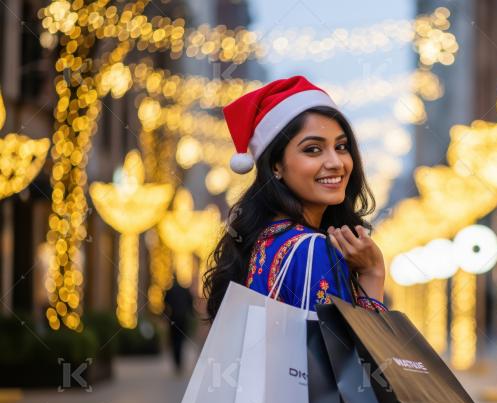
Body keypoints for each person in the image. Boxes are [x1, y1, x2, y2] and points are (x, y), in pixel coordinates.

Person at [203, 76, 387, 321]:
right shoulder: (313, 249)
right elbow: (352, 357)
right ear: (276, 165)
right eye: (313, 149)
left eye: (341, 147)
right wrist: (373, 273)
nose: (335, 163)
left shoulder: (264, 240)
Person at [163, 279, 194, 374]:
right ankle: (179, 363)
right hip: (182, 319)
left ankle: (177, 363)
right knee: (179, 341)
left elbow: (165, 304)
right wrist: (191, 314)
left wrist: (165, 316)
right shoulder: (184, 290)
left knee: (175, 341)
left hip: (173, 319)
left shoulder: (170, 291)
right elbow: (190, 304)